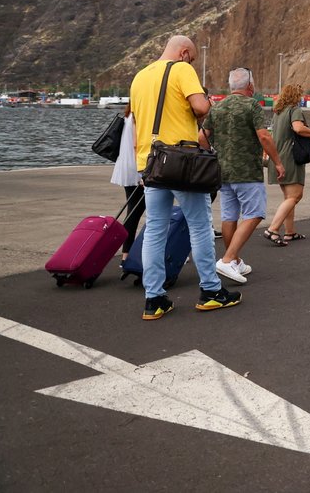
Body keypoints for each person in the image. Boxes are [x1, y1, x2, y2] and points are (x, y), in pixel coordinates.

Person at [129, 35, 241, 320]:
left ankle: (154, 299)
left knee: (155, 230)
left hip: (151, 163)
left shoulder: (140, 77)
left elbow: (137, 125)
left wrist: (141, 165)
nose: (190, 62)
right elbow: (202, 108)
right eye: (191, 58)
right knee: (200, 226)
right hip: (183, 163)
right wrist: (206, 105)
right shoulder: (181, 69)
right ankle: (211, 291)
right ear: (183, 52)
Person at [199, 68, 285, 283]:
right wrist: (277, 162)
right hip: (247, 171)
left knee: (229, 217)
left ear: (231, 86)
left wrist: (213, 154)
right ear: (250, 86)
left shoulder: (217, 108)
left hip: (223, 172)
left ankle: (234, 260)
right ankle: (227, 260)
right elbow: (264, 136)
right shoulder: (251, 105)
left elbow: (201, 136)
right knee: (254, 213)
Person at [264, 83, 310, 241]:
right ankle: (273, 229)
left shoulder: (278, 112)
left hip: (278, 157)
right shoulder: (294, 110)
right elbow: (298, 128)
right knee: (295, 196)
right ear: (296, 96)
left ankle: (290, 232)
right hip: (290, 158)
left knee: (289, 197)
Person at [110, 104, 145, 263]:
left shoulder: (128, 114)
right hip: (137, 168)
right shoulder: (139, 115)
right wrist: (144, 171)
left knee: (133, 211)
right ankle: (154, 252)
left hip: (125, 167)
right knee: (156, 212)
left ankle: (126, 254)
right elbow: (137, 144)